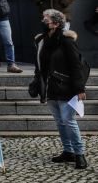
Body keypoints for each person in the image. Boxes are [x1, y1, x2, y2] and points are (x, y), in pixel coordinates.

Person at [33, 9, 88, 169]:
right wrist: (38, 82)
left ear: (56, 23)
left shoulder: (66, 41)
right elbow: (39, 65)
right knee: (60, 122)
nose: (43, 20)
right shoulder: (41, 40)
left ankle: (79, 154)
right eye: (43, 17)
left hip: (66, 87)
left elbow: (76, 65)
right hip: (50, 88)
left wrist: (79, 88)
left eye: (46, 19)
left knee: (68, 121)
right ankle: (68, 151)